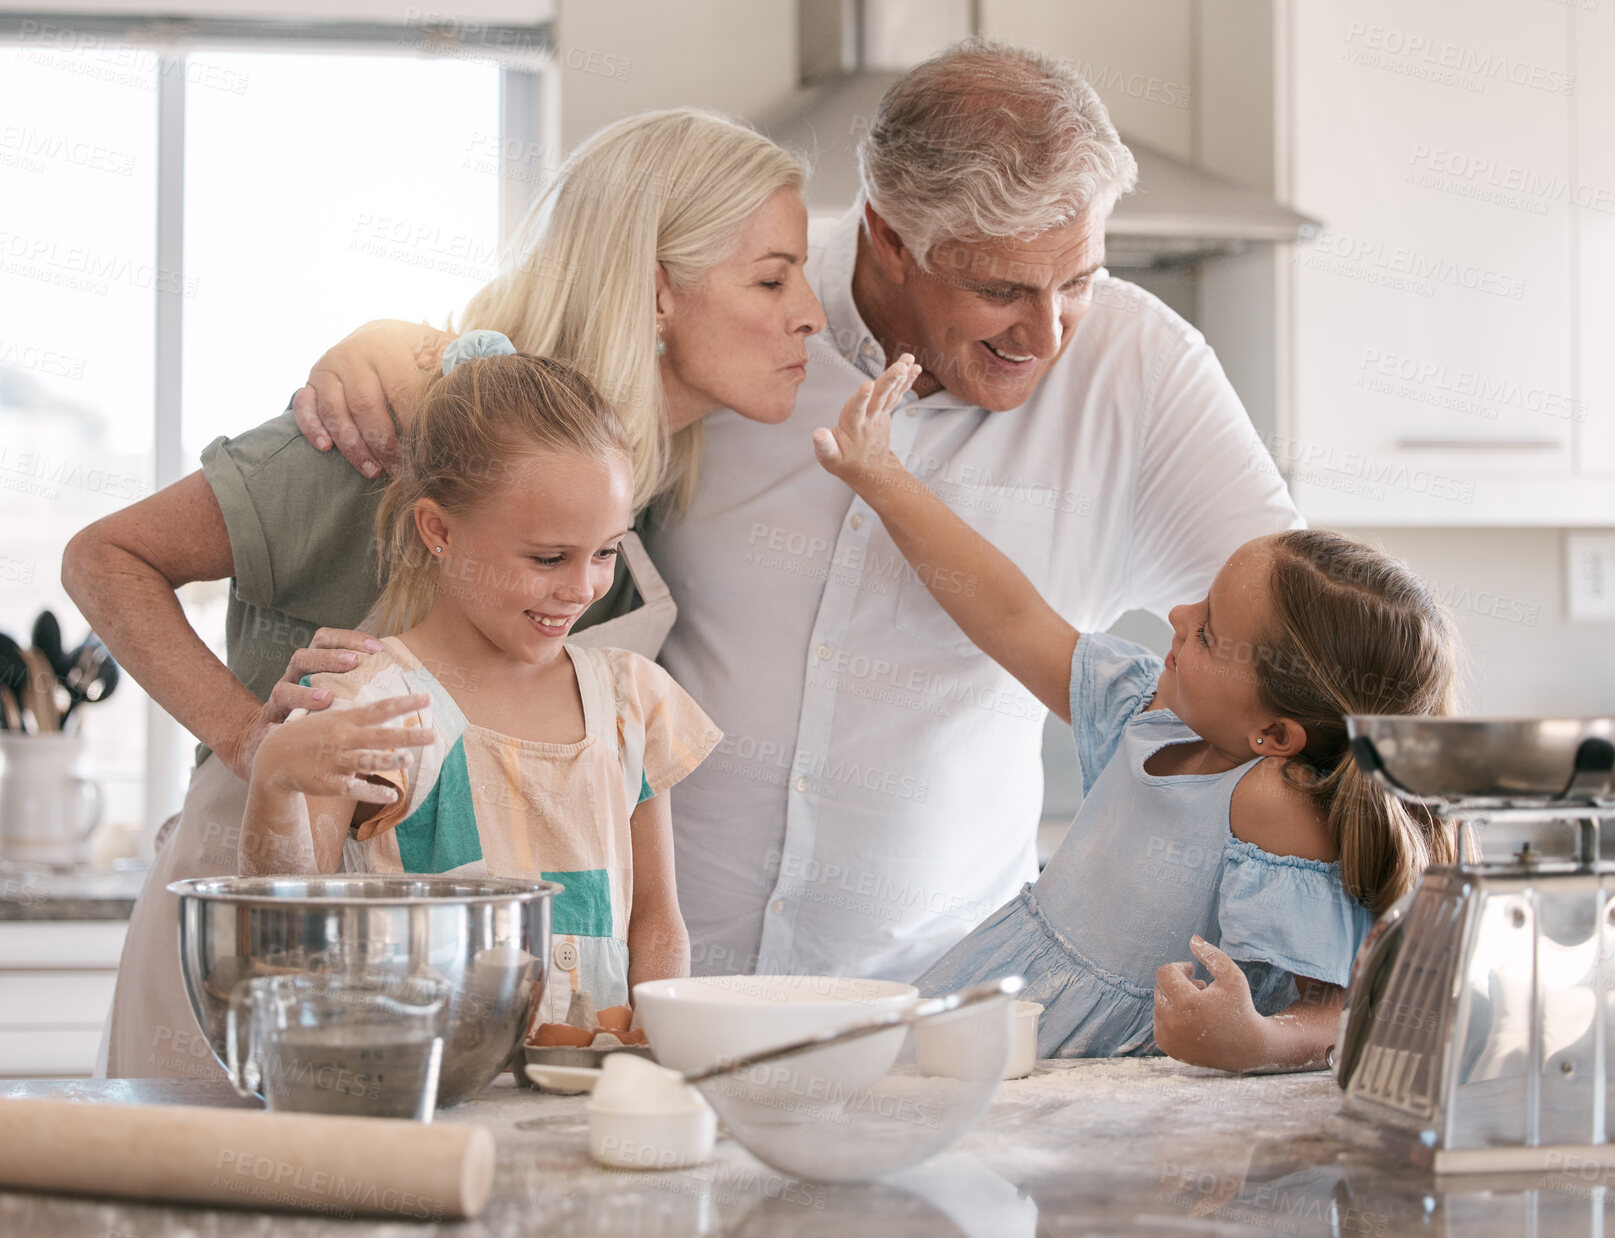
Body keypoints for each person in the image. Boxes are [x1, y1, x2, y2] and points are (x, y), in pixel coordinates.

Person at [293, 40, 1304, 983]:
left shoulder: (1142, 370)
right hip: (645, 989)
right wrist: (394, 345)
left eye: (1078, 279)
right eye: (1002, 287)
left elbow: (1320, 652)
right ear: (889, 239)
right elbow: (517, 397)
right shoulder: (742, 304)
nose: (1047, 331)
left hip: (932, 1000)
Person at [62, 107, 848, 1079]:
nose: (810, 311)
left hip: (469, 1001)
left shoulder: (628, 484)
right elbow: (105, 556)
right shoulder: (395, 423)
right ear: (654, 292)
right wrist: (253, 738)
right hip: (263, 931)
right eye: (771, 277)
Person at [811, 377, 1461, 1070]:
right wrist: (879, 476)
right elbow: (1009, 615)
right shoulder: (1147, 715)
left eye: (1209, 633)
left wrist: (1255, 1041)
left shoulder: (1269, 802)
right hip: (1009, 1018)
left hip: (1100, 1078)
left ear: (1273, 737)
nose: (1178, 617)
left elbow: (1328, 1014)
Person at [245, 339, 722, 1020]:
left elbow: (656, 924)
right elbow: (291, 937)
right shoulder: (372, 705)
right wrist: (274, 779)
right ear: (439, 530)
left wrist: (652, 1049)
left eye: (606, 552)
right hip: (428, 1098)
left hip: (592, 1093)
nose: (581, 587)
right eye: (549, 557)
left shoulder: (631, 701)